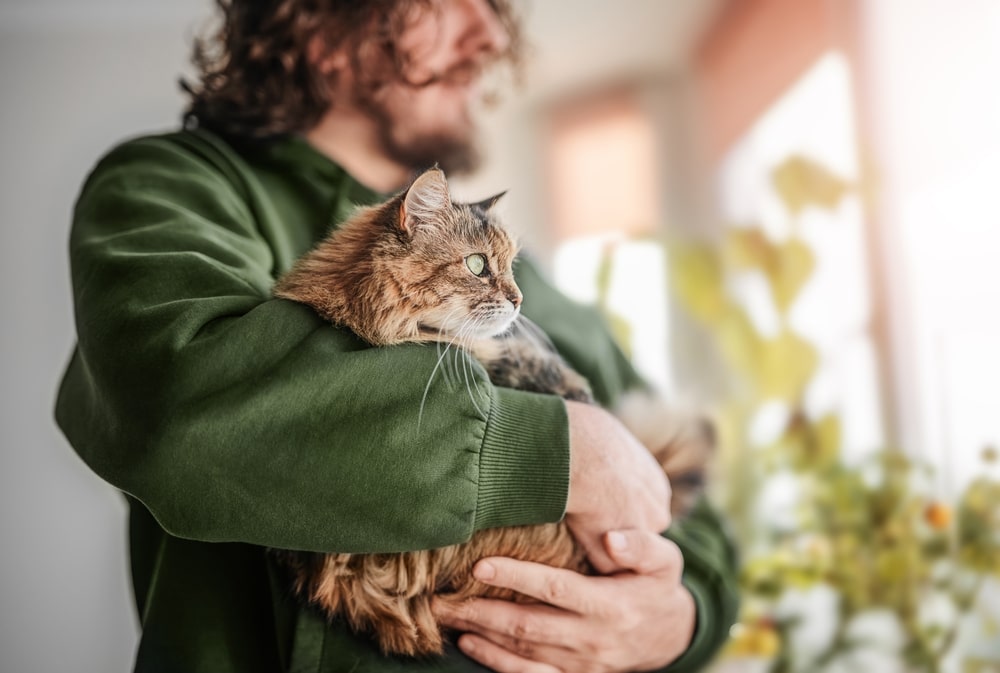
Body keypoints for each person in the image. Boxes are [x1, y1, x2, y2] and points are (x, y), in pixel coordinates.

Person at [55, 1, 739, 671]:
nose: (491, 31)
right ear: (322, 26)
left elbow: (707, 537)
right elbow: (179, 408)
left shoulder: (534, 289)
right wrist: (556, 451)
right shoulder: (172, 188)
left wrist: (679, 619)